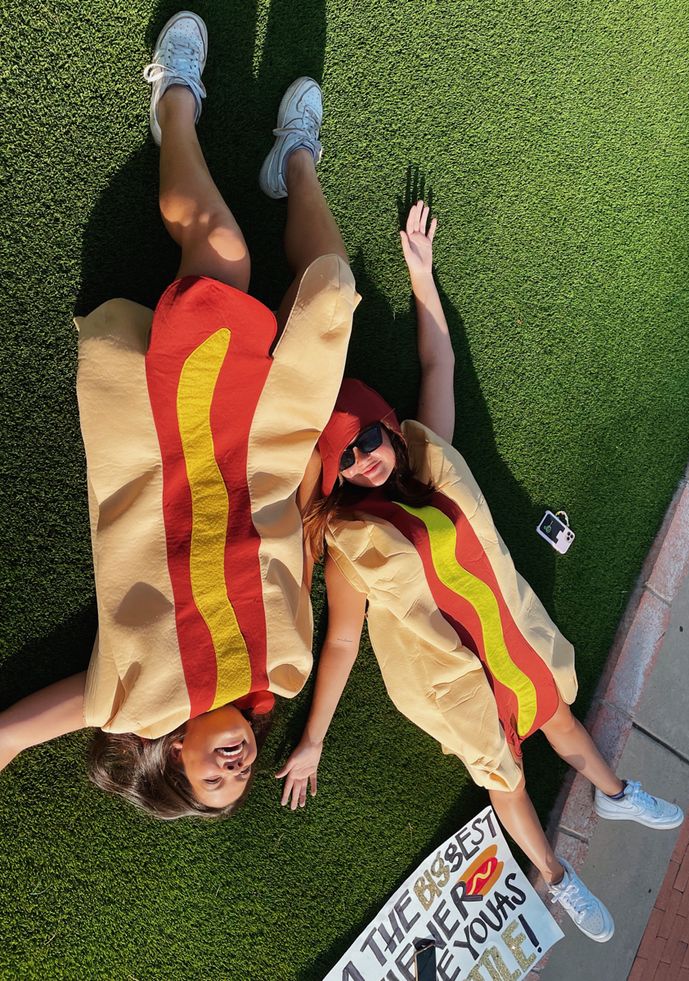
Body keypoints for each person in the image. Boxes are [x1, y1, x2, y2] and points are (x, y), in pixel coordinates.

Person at [277, 201, 684, 942]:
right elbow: (342, 642)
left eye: (366, 438)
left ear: (387, 429)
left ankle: (615, 792)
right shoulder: (353, 537)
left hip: (506, 633)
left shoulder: (432, 458)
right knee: (507, 777)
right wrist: (314, 738)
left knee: (558, 713)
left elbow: (440, 361)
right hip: (453, 673)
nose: (363, 458)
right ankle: (557, 880)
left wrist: (421, 275)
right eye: (345, 460)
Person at [0, 12, 357, 819]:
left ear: (171, 759)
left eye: (213, 778)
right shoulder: (286, 671)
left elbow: (9, 735)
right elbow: (294, 550)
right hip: (264, 445)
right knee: (331, 290)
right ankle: (295, 162)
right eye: (241, 779)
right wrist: (312, 450)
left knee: (224, 251)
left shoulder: (131, 701)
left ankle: (175, 100)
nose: (236, 767)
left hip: (177, 439)